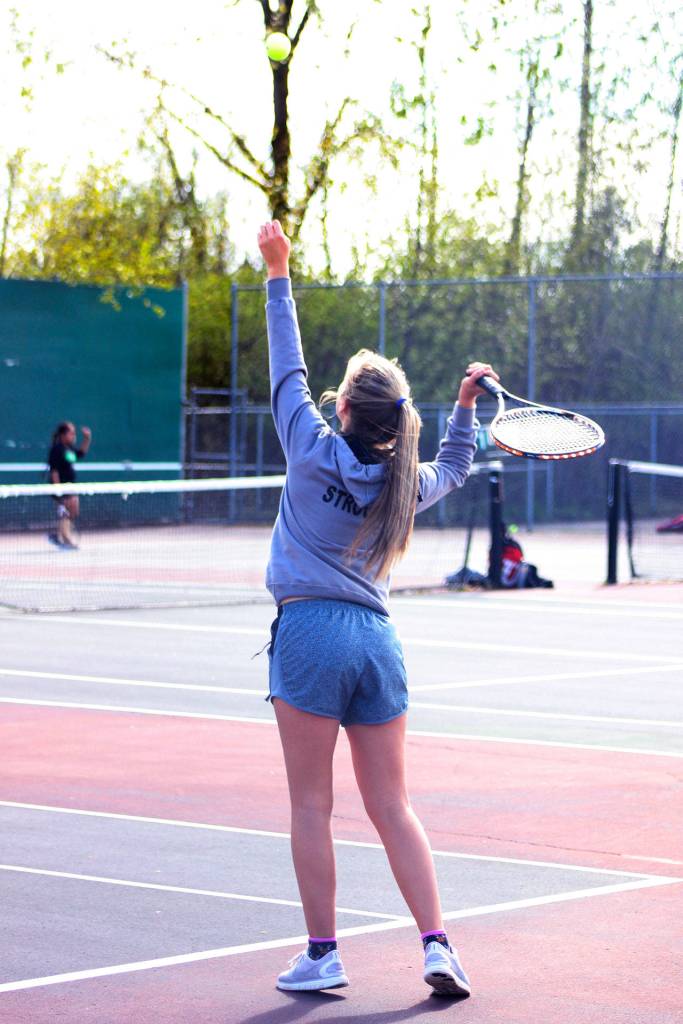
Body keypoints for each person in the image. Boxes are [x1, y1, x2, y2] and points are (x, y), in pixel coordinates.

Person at [257, 220, 498, 1000]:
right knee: (392, 805)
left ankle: (324, 954)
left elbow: (285, 364)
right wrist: (464, 406)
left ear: (345, 411)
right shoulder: (406, 485)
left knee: (310, 804)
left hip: (309, 634)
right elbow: (457, 462)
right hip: (377, 643)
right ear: (397, 423)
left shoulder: (307, 445)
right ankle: (439, 945)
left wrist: (278, 271)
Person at [47, 421, 91, 549]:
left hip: (70, 485)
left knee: (73, 512)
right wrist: (58, 490)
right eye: (71, 433)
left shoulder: (68, 449)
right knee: (67, 512)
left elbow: (80, 454)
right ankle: (66, 540)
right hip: (61, 486)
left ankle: (57, 536)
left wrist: (87, 439)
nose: (74, 436)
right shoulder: (57, 449)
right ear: (63, 434)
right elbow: (54, 470)